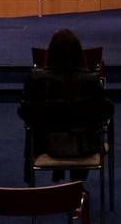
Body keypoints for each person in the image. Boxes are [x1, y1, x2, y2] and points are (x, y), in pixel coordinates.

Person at [18, 29, 112, 184]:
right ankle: (77, 184)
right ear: (78, 53)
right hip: (84, 147)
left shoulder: (36, 79)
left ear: (51, 52)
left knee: (33, 127)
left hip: (45, 145)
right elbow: (105, 112)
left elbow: (24, 112)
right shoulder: (90, 80)